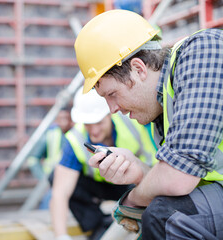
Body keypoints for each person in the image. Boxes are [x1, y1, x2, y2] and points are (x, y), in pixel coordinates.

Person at [75, 9, 223, 239]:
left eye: (112, 94)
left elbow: (178, 179)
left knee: (164, 216)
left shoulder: (203, 51)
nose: (112, 109)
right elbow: (190, 181)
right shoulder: (164, 109)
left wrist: (131, 203)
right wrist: (139, 171)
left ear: (138, 69)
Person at [50, 86, 157, 240]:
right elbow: (60, 193)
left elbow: (155, 164)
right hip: (101, 184)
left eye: (98, 123)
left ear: (109, 115)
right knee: (57, 177)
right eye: (88, 124)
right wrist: (61, 236)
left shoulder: (133, 123)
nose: (93, 131)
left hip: (135, 180)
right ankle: (98, 225)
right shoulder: (76, 138)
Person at [27, 106, 73, 209]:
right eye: (61, 118)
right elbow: (33, 160)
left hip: (72, 179)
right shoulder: (50, 135)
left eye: (66, 118)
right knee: (49, 205)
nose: (64, 122)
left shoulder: (76, 134)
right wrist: (43, 179)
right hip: (52, 180)